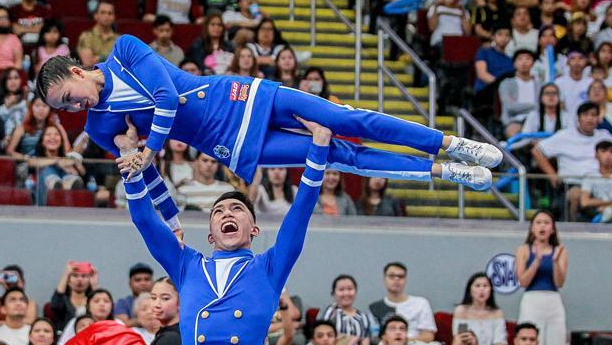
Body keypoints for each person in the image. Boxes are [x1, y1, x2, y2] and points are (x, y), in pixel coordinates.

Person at [35, 35, 501, 232]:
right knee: (340, 156)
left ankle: (449, 141)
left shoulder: (124, 51)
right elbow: (148, 177)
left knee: (347, 119)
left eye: (70, 96)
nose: (75, 109)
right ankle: (443, 170)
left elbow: (167, 96)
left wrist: (149, 147)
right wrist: (171, 220)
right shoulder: (100, 126)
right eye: (64, 109)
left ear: (77, 70)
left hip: (238, 95)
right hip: (229, 142)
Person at [116, 115, 331, 345]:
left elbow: (300, 213)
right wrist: (129, 160)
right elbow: (144, 220)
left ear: (253, 228)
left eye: (236, 209)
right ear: (212, 234)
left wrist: (319, 148)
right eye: (218, 211)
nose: (226, 213)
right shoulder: (187, 266)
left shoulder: (268, 268)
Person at [514, 210, 568, 345]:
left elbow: (559, 282)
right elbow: (523, 281)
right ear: (532, 228)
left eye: (546, 223)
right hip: (532, 299)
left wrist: (555, 262)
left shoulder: (560, 250)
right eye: (538, 222)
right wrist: (536, 261)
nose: (542, 226)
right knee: (530, 343)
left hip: (553, 300)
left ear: (552, 229)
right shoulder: (523, 249)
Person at [368, 262, 441, 345]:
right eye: (392, 276)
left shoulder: (421, 303)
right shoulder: (375, 308)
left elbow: (428, 336)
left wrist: (403, 341)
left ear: (405, 280)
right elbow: (374, 338)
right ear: (384, 279)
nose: (396, 279)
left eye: (400, 276)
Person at [452, 272, 507, 345]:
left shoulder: (497, 313)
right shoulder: (461, 311)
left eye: (485, 286)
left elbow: (499, 341)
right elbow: (462, 339)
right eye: (477, 286)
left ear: (491, 290)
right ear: (470, 290)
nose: (482, 290)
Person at [318, 274, 373, 345]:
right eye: (341, 290)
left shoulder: (363, 317)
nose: (346, 293)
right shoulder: (330, 312)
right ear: (334, 293)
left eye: (350, 289)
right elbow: (321, 336)